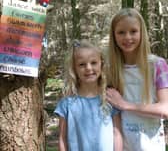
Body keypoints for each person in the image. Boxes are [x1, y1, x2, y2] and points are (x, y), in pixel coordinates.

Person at [106, 8, 168, 151]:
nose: (127, 37)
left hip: (151, 145)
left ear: (142, 33)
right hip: (120, 145)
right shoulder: (109, 68)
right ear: (114, 36)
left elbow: (165, 109)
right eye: (121, 32)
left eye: (133, 31)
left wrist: (125, 105)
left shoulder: (157, 65)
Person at [54, 39, 123, 151]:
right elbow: (62, 138)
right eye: (82, 64)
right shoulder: (67, 103)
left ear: (101, 64)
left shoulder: (110, 98)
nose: (88, 68)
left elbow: (117, 133)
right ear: (74, 69)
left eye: (94, 63)